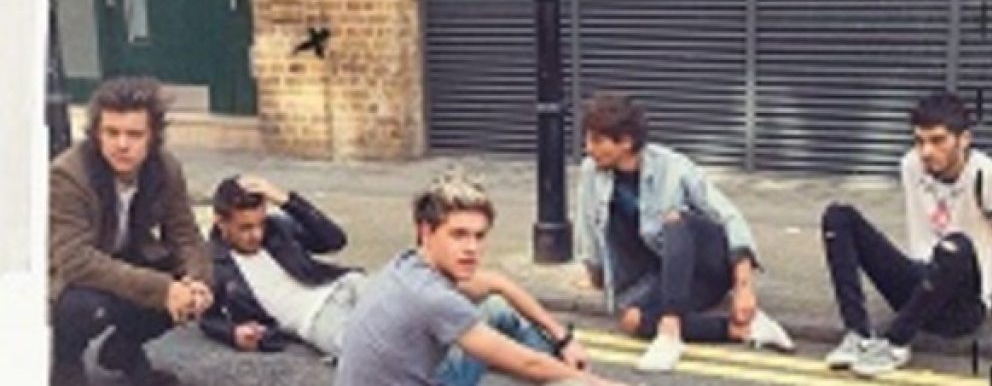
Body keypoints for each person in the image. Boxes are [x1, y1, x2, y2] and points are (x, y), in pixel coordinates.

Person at [335, 172, 626, 386]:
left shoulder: (410, 265)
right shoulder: (431, 298)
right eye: (459, 235)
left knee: (496, 309)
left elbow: (499, 284)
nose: (471, 248)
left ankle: (564, 367)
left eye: (479, 236)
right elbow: (529, 364)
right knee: (564, 379)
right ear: (426, 232)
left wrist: (564, 339)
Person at [576, 91, 794, 374]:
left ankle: (670, 333)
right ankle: (744, 329)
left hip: (708, 266)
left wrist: (744, 288)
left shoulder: (673, 167)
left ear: (626, 142)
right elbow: (588, 227)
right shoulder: (591, 173)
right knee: (632, 320)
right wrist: (596, 275)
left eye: (596, 140)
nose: (588, 148)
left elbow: (730, 217)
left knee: (675, 220)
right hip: (666, 275)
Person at [820, 91, 992, 377]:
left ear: (964, 139)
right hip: (919, 289)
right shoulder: (911, 165)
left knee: (955, 246)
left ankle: (895, 343)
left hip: (964, 307)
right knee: (838, 216)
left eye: (938, 140)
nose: (926, 151)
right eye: (920, 141)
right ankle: (857, 334)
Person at [49, 77, 213, 386]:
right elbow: (74, 260)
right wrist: (163, 289)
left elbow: (184, 234)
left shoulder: (165, 167)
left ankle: (123, 349)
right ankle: (65, 362)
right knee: (82, 307)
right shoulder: (69, 174)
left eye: (134, 134)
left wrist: (196, 283)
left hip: (129, 258)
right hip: (73, 278)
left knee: (196, 286)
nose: (122, 144)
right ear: (96, 133)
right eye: (111, 133)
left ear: (153, 137)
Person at [200, 175, 367, 359]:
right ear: (221, 222)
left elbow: (334, 240)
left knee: (392, 307)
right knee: (365, 353)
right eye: (245, 228)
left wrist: (286, 200)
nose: (257, 234)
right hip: (314, 318)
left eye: (261, 224)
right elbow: (208, 318)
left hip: (345, 284)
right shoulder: (211, 263)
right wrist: (233, 334)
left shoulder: (277, 228)